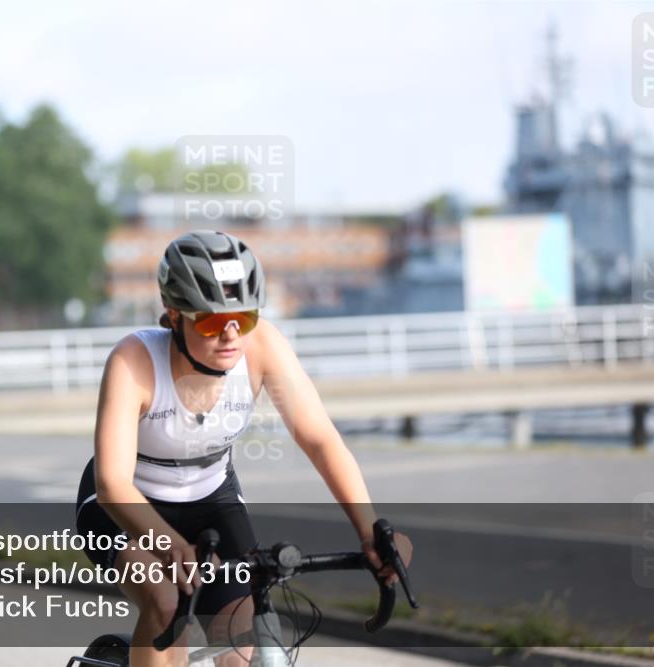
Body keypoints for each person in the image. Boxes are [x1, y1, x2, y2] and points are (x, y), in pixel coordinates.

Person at [75, 229, 412, 666]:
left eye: (245, 318)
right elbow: (112, 484)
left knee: (238, 631)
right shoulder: (133, 361)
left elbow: (320, 439)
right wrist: (168, 542)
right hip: (127, 504)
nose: (231, 335)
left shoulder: (262, 347)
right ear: (174, 316)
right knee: (164, 602)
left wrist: (370, 531)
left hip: (211, 497)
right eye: (212, 322)